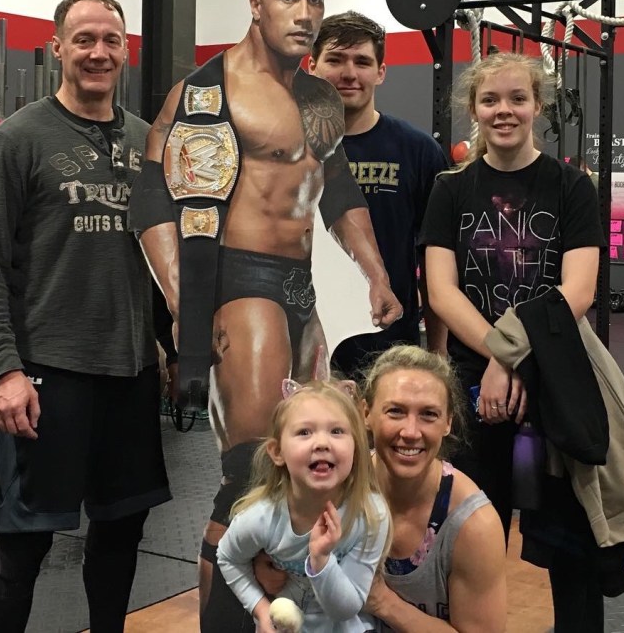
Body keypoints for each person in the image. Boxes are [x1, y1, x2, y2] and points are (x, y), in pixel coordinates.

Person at [129, 0, 402, 630]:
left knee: (305, 472)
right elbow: (152, 200)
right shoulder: (209, 90)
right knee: (250, 471)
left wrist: (375, 272)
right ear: (256, 6)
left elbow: (336, 189)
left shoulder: (318, 98)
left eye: (315, 1)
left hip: (300, 288)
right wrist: (184, 304)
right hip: (238, 282)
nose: (304, 15)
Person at [0, 0, 171, 633]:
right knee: (24, 542)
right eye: (84, 40)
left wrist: (165, 342)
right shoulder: (16, 141)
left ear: (125, 51)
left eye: (111, 40)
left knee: (122, 531)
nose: (98, 52)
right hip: (47, 374)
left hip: (130, 373)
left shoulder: (149, 143)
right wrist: (3, 370)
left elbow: (159, 257)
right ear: (58, 48)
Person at [421, 52, 604, 539]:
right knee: (475, 529)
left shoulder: (571, 187)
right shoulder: (450, 189)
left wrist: (510, 359)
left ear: (537, 105)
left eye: (517, 98)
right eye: (490, 100)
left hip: (553, 371)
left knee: (567, 537)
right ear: (474, 109)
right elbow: (441, 292)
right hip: (472, 380)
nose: (504, 110)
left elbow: (579, 290)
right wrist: (499, 357)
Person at [308, 11, 448, 376]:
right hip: (303, 348)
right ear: (311, 67)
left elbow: (435, 264)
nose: (349, 73)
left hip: (390, 350)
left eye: (362, 62)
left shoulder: (418, 151)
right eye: (335, 60)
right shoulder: (282, 150)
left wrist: (437, 352)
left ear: (381, 72)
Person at [217, 378, 390, 633]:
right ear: (277, 452)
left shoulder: (370, 515)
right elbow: (228, 557)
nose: (322, 443)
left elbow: (346, 608)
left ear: (356, 448)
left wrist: (321, 559)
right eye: (304, 432)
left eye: (337, 431)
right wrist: (261, 610)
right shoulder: (261, 518)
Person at [362, 345, 507, 632]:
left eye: (428, 414)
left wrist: (383, 603)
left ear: (448, 423)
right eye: (395, 411)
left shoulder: (474, 525)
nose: (410, 432)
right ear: (366, 413)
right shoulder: (337, 485)